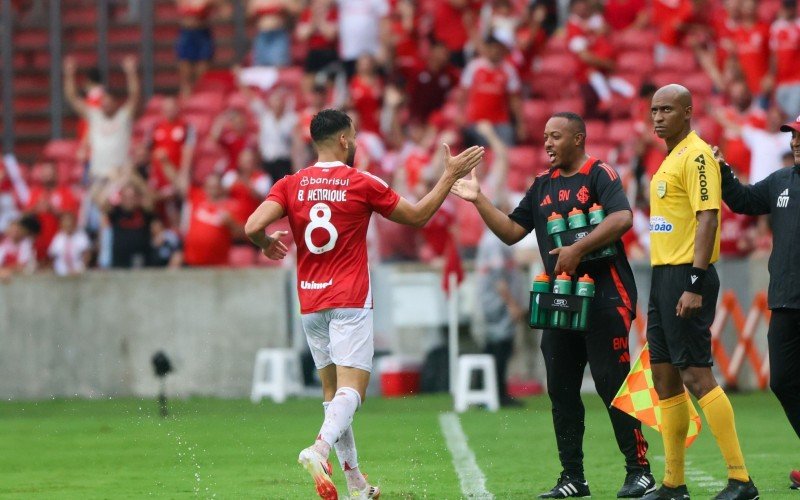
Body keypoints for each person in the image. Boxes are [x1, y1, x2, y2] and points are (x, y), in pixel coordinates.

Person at [245, 109, 483, 499]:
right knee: (354, 391)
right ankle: (318, 450)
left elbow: (253, 226)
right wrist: (450, 175)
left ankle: (355, 482)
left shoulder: (291, 184)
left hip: (310, 299)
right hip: (350, 298)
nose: (355, 142)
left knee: (332, 396)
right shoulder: (361, 182)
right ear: (343, 140)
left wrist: (265, 243)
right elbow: (419, 216)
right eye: (353, 136)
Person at [450, 112, 654, 498]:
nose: (546, 143)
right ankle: (573, 477)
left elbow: (623, 217)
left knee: (612, 384)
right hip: (562, 298)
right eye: (544, 137)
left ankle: (639, 470)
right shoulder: (542, 185)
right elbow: (512, 231)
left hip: (606, 294)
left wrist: (577, 248)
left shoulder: (600, 174)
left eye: (555, 136)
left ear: (578, 138)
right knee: (561, 389)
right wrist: (479, 200)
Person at [641, 84, 757, 500]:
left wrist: (694, 280)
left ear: (688, 113)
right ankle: (673, 483)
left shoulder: (697, 154)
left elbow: (708, 217)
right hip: (662, 276)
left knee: (695, 373)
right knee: (665, 375)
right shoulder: (670, 157)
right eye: (654, 110)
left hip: (687, 276)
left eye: (667, 109)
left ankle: (741, 479)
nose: (658, 117)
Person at [713, 113, 800, 491]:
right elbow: (745, 201)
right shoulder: (782, 180)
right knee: (782, 380)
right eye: (793, 136)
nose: (795, 142)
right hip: (785, 299)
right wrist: (723, 172)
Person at [64, 55, 138, 180]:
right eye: (104, 102)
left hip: (119, 175)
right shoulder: (94, 116)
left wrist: (131, 73)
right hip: (97, 174)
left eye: (109, 102)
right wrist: (69, 74)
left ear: (116, 103)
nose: (106, 104)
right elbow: (72, 97)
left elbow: (134, 96)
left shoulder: (123, 117)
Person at [48, 212, 91, 277]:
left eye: (70, 224)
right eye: (66, 223)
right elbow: (52, 255)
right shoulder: (58, 237)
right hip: (61, 274)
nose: (68, 225)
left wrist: (81, 269)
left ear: (75, 224)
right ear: (62, 225)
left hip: (78, 273)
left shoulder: (81, 236)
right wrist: (53, 270)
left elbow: (87, 254)